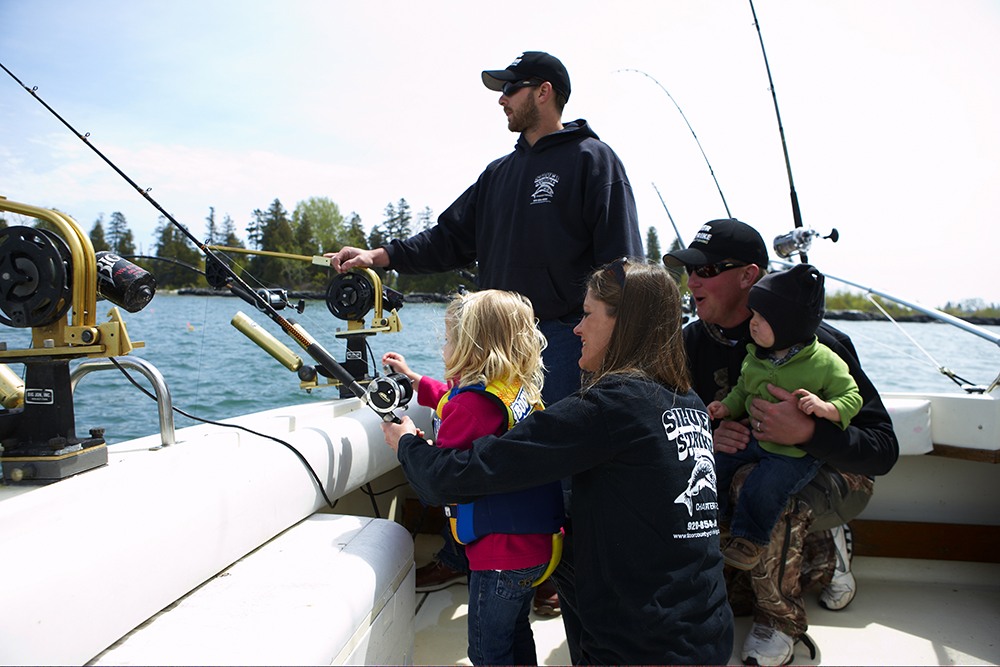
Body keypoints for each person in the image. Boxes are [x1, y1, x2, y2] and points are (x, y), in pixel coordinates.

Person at [328, 50, 642, 615]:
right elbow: (447, 238)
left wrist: (610, 341)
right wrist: (380, 255)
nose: (501, 99)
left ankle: (550, 565)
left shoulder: (594, 161)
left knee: (557, 455)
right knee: (469, 439)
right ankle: (460, 551)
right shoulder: (498, 174)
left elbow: (622, 263)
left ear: (543, 92)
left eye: (510, 89)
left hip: (564, 341)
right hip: (492, 341)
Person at [383, 259, 734, 665]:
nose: (577, 329)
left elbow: (454, 476)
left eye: (587, 315)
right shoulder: (686, 401)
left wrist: (408, 443)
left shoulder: (613, 406)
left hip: (641, 648)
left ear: (626, 323)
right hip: (705, 632)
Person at [665, 219, 898, 666]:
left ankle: (780, 624)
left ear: (749, 276)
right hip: (738, 469)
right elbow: (661, 426)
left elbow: (882, 449)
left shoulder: (822, 347)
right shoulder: (686, 344)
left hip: (831, 474)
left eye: (706, 270)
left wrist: (811, 432)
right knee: (730, 587)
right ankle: (822, 557)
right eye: (689, 270)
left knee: (755, 481)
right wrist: (707, 436)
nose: (691, 281)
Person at [382, 289, 563, 665]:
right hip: (534, 548)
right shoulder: (514, 389)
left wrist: (408, 444)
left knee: (487, 650)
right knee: (516, 632)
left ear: (471, 346)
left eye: (449, 339)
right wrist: (417, 381)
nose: (444, 346)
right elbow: (457, 399)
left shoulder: (472, 407)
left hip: (498, 556)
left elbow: (441, 479)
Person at [707, 264, 863, 571]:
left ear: (790, 324)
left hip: (793, 454)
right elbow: (743, 389)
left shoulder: (824, 362)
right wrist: (726, 407)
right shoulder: (756, 355)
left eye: (762, 319)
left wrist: (825, 409)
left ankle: (750, 540)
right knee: (718, 465)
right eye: (753, 315)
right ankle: (717, 520)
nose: (752, 324)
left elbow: (852, 397)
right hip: (755, 437)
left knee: (765, 485)